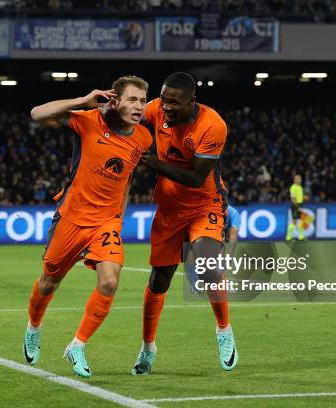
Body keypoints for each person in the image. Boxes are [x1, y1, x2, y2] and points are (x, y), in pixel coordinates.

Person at [23, 76, 152, 378]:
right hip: (71, 218)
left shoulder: (143, 139)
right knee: (48, 282)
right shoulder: (88, 121)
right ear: (115, 101)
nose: (139, 106)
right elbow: (37, 113)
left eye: (143, 101)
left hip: (106, 223)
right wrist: (83, 100)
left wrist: (119, 217)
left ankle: (77, 345)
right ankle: (33, 325)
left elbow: (127, 179)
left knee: (109, 281)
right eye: (132, 100)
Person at [132, 72, 237, 375]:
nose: (165, 108)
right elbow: (129, 117)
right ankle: (148, 348)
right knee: (158, 280)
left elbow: (195, 177)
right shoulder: (157, 109)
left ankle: (223, 330)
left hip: (205, 204)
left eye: (174, 103)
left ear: (192, 101)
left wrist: (156, 165)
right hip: (169, 209)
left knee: (207, 265)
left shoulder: (212, 125)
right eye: (163, 100)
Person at [286, 174, 304, 241]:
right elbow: (293, 199)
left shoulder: (300, 187)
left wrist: (304, 197)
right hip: (295, 205)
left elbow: (299, 197)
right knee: (294, 221)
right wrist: (297, 207)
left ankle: (301, 237)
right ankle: (288, 237)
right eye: (298, 179)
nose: (300, 180)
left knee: (299, 221)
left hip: (300, 204)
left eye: (300, 179)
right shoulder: (293, 187)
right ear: (294, 180)